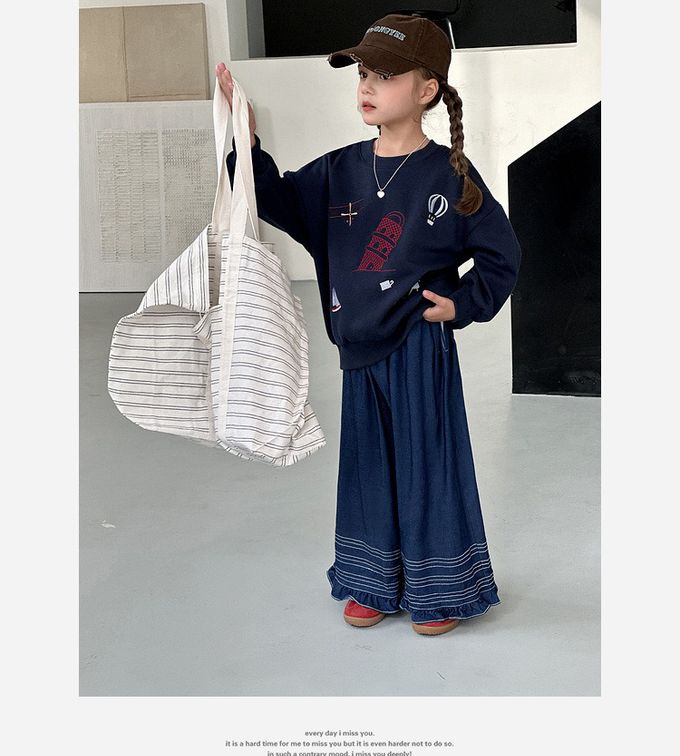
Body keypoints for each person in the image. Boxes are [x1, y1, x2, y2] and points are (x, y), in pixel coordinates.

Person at [217, 13, 522, 636]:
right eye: (363, 73)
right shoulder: (338, 172)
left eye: (385, 75)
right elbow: (273, 197)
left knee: (427, 464)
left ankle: (440, 588)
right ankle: (372, 581)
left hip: (418, 346)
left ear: (427, 89)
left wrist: (461, 304)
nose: (367, 86)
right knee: (368, 470)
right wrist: (245, 142)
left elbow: (502, 253)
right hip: (358, 349)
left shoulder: (451, 177)